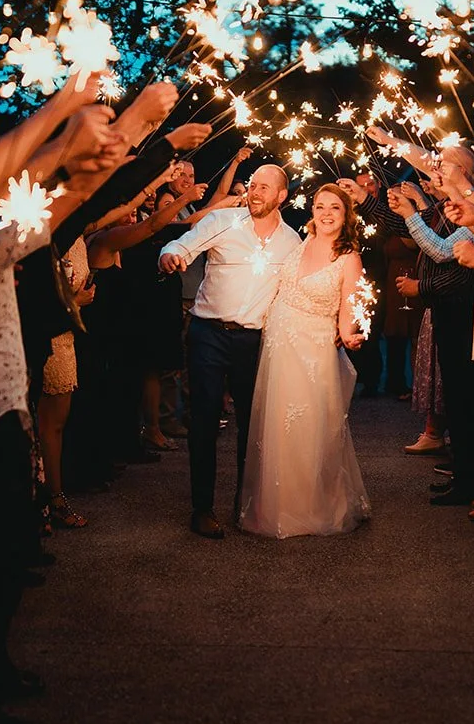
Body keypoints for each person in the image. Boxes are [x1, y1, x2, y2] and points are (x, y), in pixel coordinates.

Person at [158, 164, 302, 539]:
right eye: (253, 185)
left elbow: (296, 293)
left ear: (281, 197)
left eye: (264, 188)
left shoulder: (291, 242)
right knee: (203, 421)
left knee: (252, 426)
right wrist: (170, 256)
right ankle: (202, 509)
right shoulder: (223, 220)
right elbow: (180, 245)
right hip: (208, 333)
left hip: (254, 342)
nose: (255, 192)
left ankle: (247, 503)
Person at [238, 183, 371, 538]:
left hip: (312, 352)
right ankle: (274, 506)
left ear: (346, 215)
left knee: (311, 427)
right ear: (312, 211)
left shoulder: (349, 258)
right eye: (320, 206)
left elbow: (347, 310)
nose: (326, 213)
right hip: (278, 347)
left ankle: (312, 506)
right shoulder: (300, 244)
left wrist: (349, 335)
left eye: (335, 208)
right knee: (276, 424)